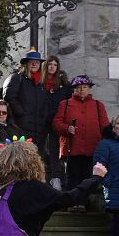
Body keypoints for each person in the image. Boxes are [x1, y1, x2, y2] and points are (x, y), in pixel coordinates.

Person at [52, 75, 109, 196]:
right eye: (78, 87)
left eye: (84, 87)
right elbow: (56, 123)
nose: (81, 90)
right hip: (72, 148)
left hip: (93, 148)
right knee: (72, 177)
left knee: (88, 177)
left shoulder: (98, 105)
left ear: (89, 89)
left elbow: (105, 127)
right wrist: (67, 128)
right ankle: (72, 204)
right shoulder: (65, 104)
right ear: (74, 89)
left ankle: (83, 204)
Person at [4, 49, 51, 153]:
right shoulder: (16, 78)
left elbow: (45, 104)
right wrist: (22, 114)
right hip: (20, 128)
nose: (34, 64)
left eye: (37, 62)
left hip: (39, 131)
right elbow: (9, 98)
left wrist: (43, 119)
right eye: (31, 61)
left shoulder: (41, 84)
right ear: (26, 63)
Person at [42, 56, 72, 189]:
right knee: (39, 149)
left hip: (57, 122)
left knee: (55, 151)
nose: (52, 67)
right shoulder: (39, 83)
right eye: (49, 64)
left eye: (55, 64)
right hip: (41, 121)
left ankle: (56, 179)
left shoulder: (64, 86)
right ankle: (40, 178)